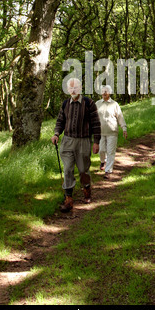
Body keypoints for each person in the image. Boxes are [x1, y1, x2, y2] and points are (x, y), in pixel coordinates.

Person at [51, 78, 101, 212]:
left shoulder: (89, 103)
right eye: (71, 88)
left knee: (83, 169)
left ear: (80, 88)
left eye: (76, 87)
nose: (73, 90)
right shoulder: (65, 104)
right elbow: (60, 121)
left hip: (83, 141)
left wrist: (96, 142)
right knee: (67, 169)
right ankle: (68, 199)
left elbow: (96, 123)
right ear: (68, 90)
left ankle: (86, 188)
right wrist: (56, 134)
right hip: (67, 141)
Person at [95, 85, 127, 180]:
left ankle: (108, 171)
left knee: (110, 151)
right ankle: (103, 161)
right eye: (103, 91)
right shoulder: (97, 104)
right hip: (100, 132)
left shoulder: (115, 104)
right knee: (101, 150)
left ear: (110, 92)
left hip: (112, 132)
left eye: (106, 91)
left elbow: (120, 117)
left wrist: (124, 128)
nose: (104, 93)